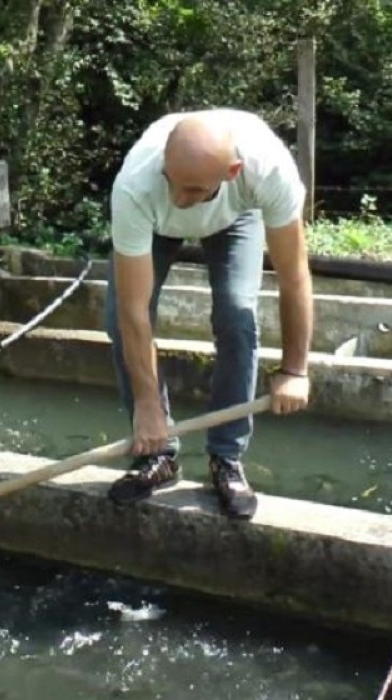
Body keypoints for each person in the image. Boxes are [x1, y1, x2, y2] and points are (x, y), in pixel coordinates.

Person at [104, 108, 313, 519]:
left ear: (232, 171)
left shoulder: (267, 170)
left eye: (193, 190)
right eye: (174, 183)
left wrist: (295, 370)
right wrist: (148, 404)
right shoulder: (136, 185)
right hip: (154, 223)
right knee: (118, 316)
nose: (182, 201)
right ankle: (158, 456)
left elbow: (294, 277)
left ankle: (226, 459)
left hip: (236, 218)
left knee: (236, 313)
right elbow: (134, 310)